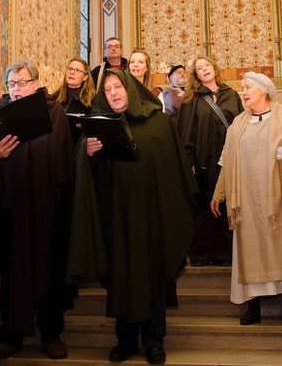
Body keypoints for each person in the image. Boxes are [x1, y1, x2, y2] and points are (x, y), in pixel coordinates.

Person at [67, 68, 197, 364]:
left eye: (118, 87)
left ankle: (153, 340)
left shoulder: (160, 124)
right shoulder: (98, 125)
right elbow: (84, 174)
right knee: (121, 276)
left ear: (131, 89)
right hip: (116, 218)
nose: (113, 92)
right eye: (108, 89)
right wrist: (86, 154)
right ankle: (124, 340)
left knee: (152, 274)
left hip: (153, 217)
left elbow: (174, 172)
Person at [0, 61, 73, 360]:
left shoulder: (55, 112)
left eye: (22, 82)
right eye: (12, 83)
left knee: (50, 269)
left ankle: (52, 334)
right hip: (9, 206)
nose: (16, 89)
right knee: (10, 270)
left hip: (46, 206)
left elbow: (66, 155)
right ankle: (11, 336)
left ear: (36, 83)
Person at [210, 72, 282, 325]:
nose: (243, 92)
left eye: (248, 88)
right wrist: (219, 193)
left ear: (264, 90)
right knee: (251, 253)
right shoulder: (238, 123)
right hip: (247, 200)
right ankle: (253, 306)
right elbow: (227, 160)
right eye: (242, 88)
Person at [177, 56, 243, 266]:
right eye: (199, 68)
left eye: (207, 65)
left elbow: (242, 126)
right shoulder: (191, 99)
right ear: (195, 75)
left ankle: (227, 252)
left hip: (230, 161)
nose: (204, 69)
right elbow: (185, 133)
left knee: (228, 204)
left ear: (214, 68)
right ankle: (202, 253)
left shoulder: (231, 95)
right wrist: (190, 163)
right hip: (203, 161)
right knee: (204, 207)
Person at [53, 57, 96, 146]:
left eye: (77, 70)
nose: (72, 72)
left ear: (85, 77)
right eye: (70, 69)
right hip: (57, 144)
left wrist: (86, 126)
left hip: (78, 145)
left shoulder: (92, 99)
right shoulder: (56, 96)